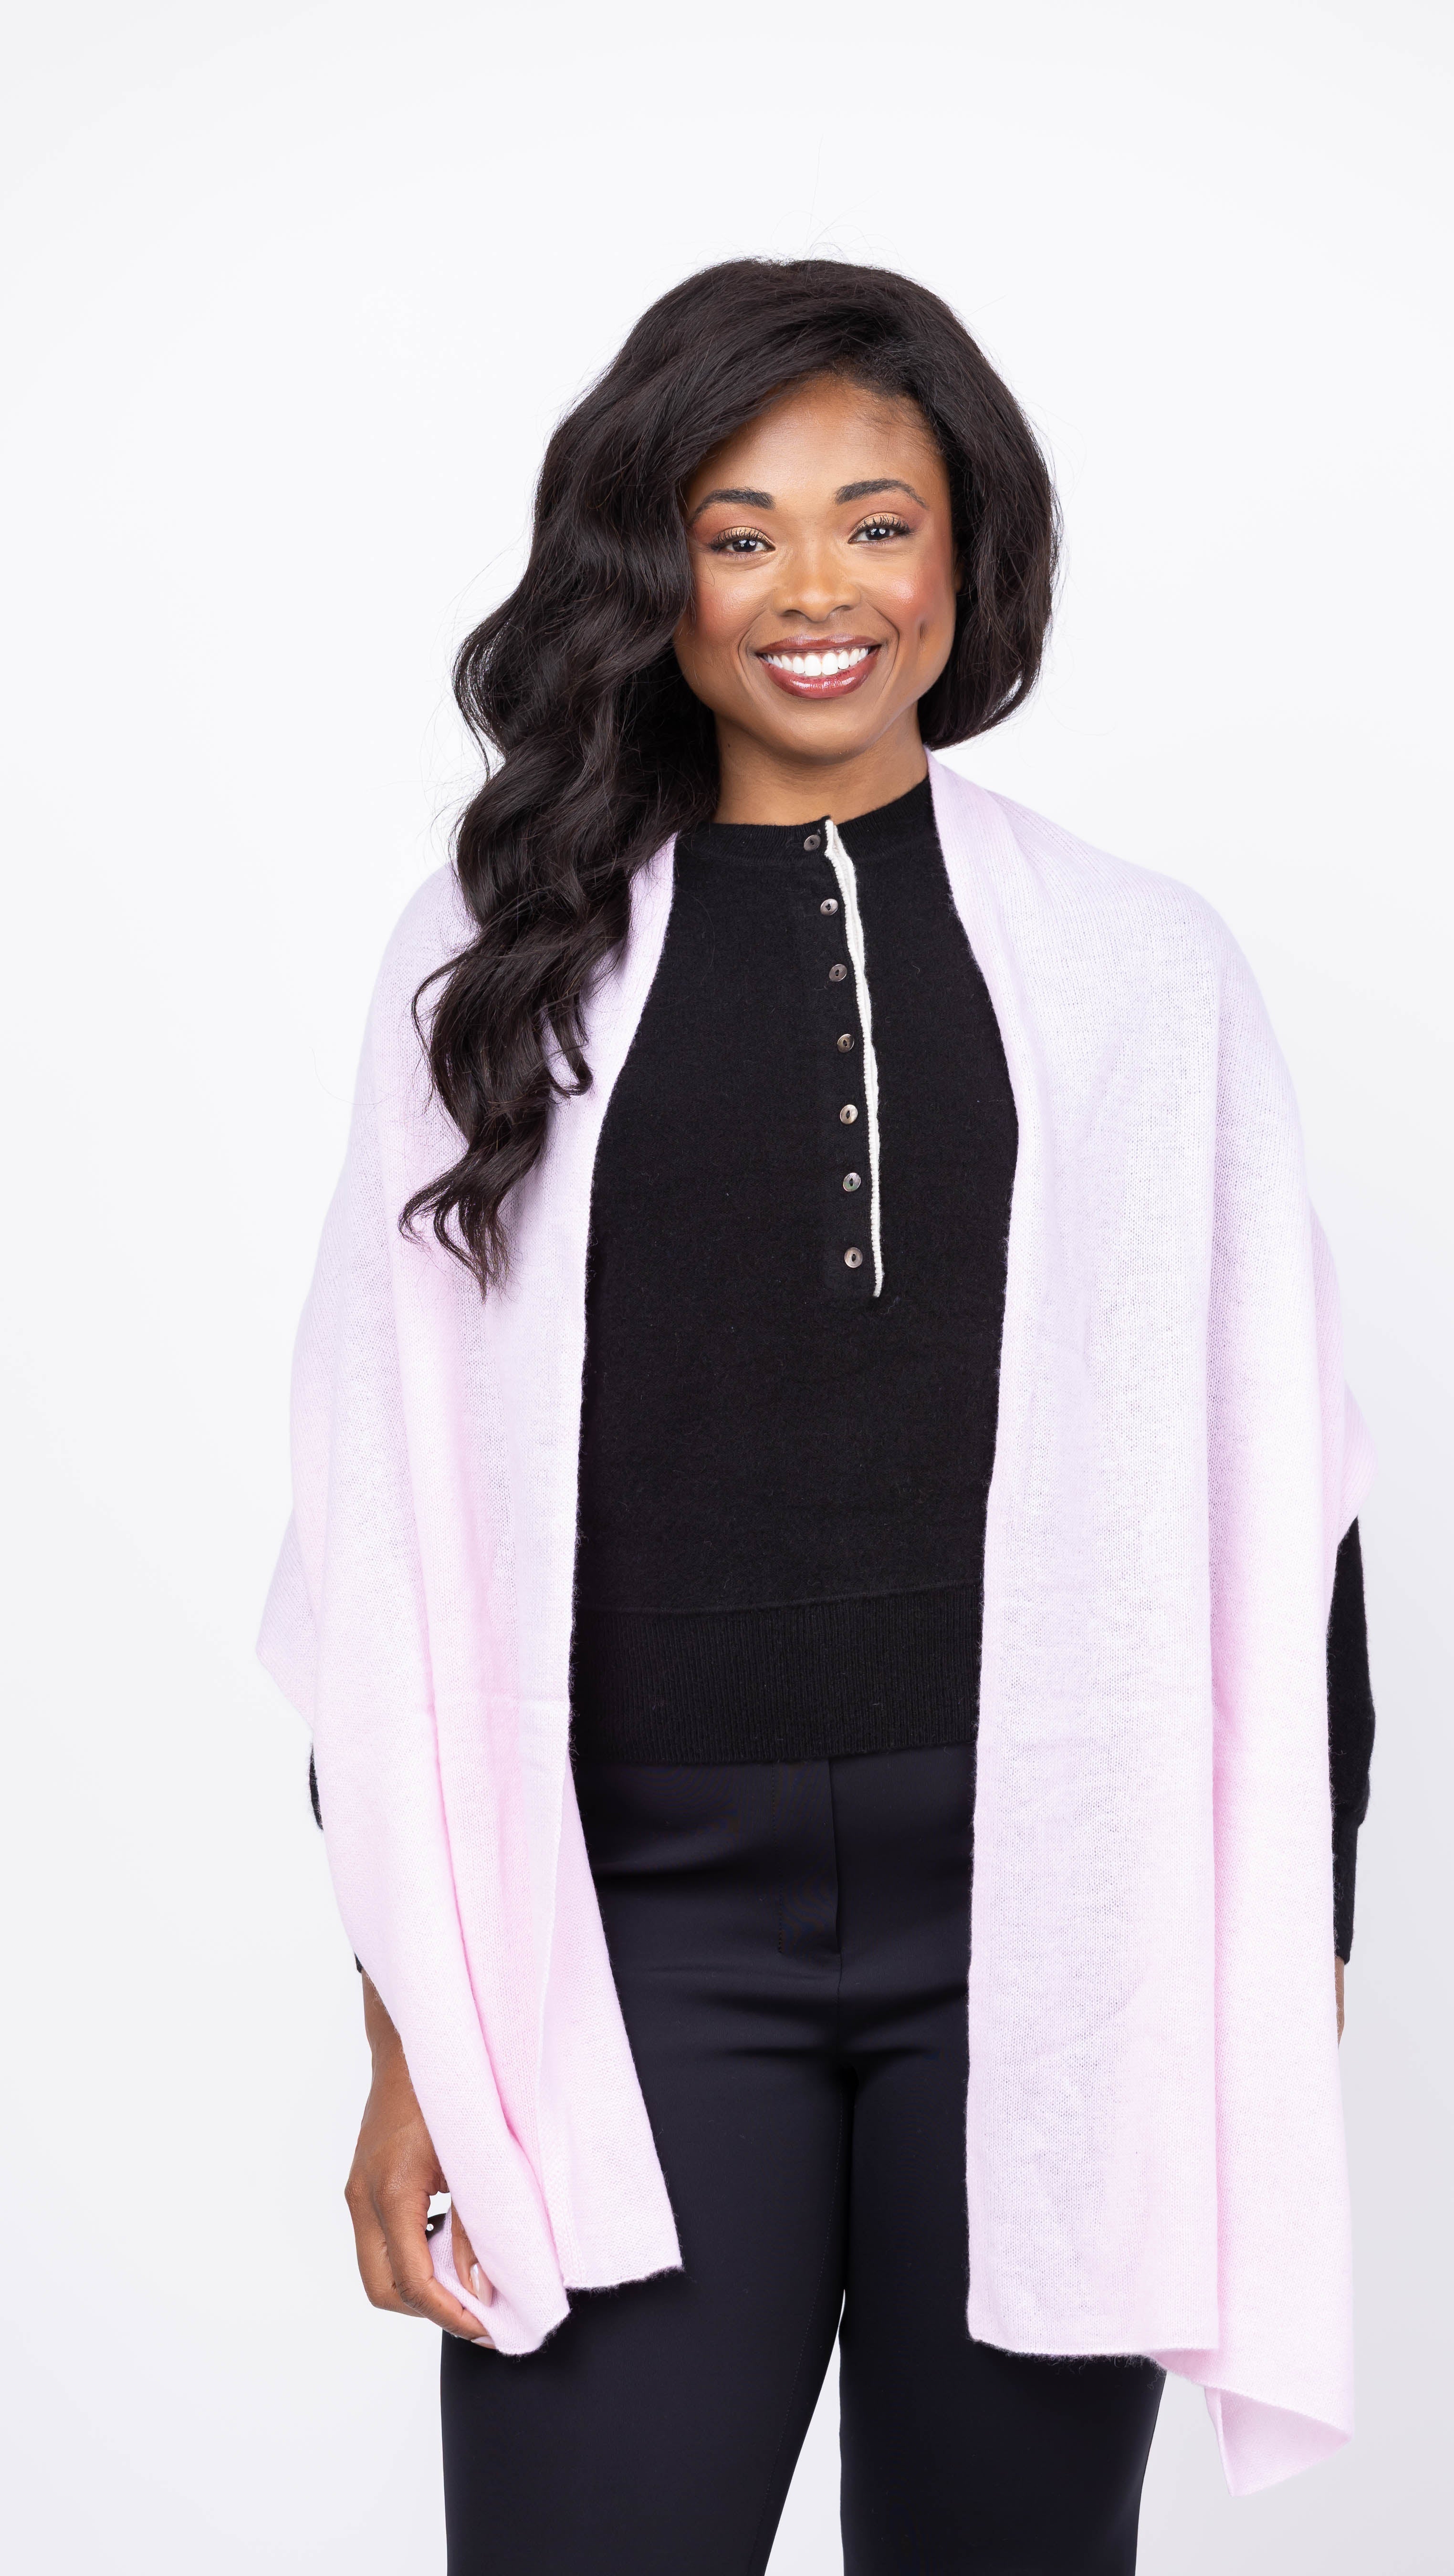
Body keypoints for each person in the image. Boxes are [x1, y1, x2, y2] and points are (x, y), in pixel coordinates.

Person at [261, 257, 1377, 2575]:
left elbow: (1293, 1513)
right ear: (648, 567)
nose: (815, 591)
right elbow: (387, 1545)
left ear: (968, 555)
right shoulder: (493, 961)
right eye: (738, 530)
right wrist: (405, 2036)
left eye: (877, 522)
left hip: (1054, 1938)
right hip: (632, 1940)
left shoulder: (1144, 972)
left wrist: (1280, 1988)